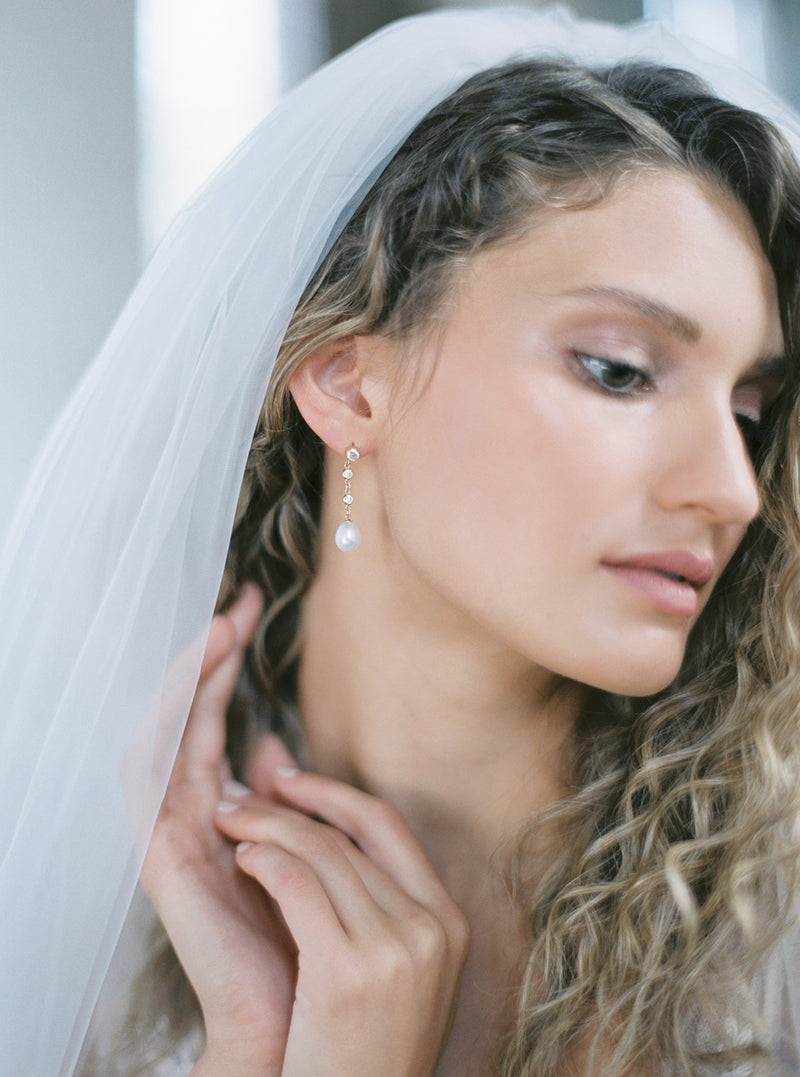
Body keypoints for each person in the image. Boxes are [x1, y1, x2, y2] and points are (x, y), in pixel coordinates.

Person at [4, 7, 800, 1077]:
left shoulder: (767, 939)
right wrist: (255, 1039)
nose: (729, 490)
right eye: (618, 368)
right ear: (346, 381)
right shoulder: (96, 938)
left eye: (747, 411)